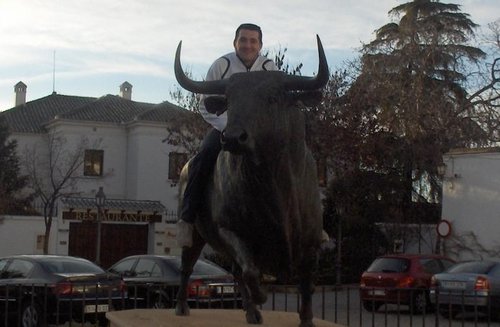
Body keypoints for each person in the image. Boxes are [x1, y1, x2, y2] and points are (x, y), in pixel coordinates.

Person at [177, 23, 278, 248]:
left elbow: (275, 104)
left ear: (260, 45)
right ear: (235, 43)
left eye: (253, 41)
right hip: (225, 127)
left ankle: (306, 219)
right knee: (203, 157)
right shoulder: (221, 65)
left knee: (291, 156)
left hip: (259, 131)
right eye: (243, 40)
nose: (248, 45)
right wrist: (228, 127)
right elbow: (205, 105)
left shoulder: (270, 67)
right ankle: (187, 219)